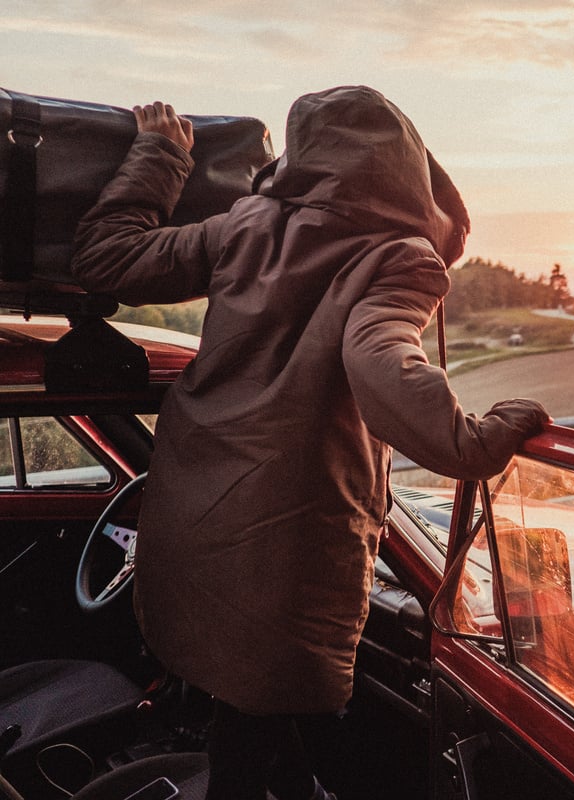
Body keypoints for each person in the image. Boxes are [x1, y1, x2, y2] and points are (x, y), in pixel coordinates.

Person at [70, 87, 549, 800]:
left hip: (186, 518)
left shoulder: (246, 225)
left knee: (248, 718)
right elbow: (381, 362)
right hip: (286, 547)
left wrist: (162, 155)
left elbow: (106, 258)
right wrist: (475, 440)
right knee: (251, 731)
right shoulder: (400, 256)